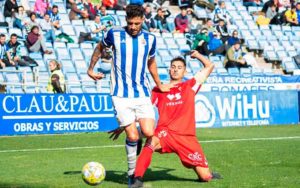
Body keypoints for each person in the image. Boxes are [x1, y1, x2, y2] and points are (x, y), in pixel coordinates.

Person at [87, 4, 172, 186]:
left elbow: (151, 63)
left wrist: (159, 84)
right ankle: (132, 175)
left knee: (149, 132)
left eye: (137, 23)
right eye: (130, 23)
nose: (133, 27)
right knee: (132, 136)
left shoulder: (150, 39)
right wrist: (90, 69)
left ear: (142, 20)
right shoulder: (114, 33)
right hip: (120, 95)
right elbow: (99, 47)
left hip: (141, 93)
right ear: (126, 20)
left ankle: (134, 135)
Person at [129, 51, 221, 188]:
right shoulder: (158, 89)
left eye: (179, 67)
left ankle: (204, 171)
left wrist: (197, 55)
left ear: (184, 71)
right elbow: (145, 110)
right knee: (151, 141)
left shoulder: (190, 85)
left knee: (205, 177)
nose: (175, 69)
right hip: (165, 133)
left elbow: (209, 66)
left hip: (186, 137)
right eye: (173, 67)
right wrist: (131, 125)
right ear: (169, 70)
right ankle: (137, 179)